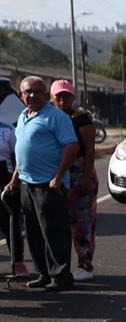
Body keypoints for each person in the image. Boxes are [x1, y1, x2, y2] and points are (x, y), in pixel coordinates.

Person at [5, 76, 78, 291]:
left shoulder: (56, 117)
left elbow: (71, 147)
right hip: (27, 183)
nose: (33, 95)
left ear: (46, 95)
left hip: (50, 184)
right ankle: (43, 274)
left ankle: (61, 276)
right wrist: (15, 179)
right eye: (28, 92)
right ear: (21, 95)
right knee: (34, 231)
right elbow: (22, 151)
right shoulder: (23, 115)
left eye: (38, 91)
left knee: (54, 231)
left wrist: (58, 176)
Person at [50, 80, 98, 282]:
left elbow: (89, 150)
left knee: (82, 223)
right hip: (56, 174)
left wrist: (86, 178)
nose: (62, 99)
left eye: (66, 95)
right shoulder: (50, 116)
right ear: (52, 97)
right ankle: (59, 265)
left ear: (73, 97)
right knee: (58, 223)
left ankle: (85, 264)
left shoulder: (81, 118)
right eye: (58, 96)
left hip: (79, 175)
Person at [0, 118, 27, 276]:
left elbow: (17, 158)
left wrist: (14, 182)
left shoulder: (8, 130)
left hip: (6, 179)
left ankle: (18, 262)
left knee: (10, 222)